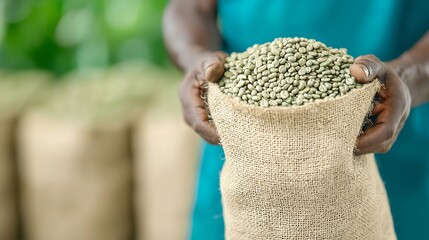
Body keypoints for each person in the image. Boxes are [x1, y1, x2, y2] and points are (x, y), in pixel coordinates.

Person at [163, 0, 429, 239]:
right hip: (242, 152)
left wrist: (410, 75)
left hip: (394, 140)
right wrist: (196, 60)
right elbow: (190, 7)